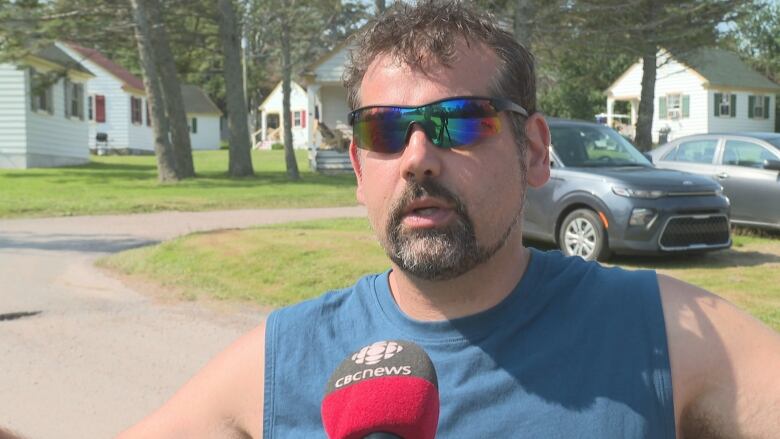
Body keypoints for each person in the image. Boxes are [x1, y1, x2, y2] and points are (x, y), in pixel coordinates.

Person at [118, 1, 780, 438]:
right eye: (385, 130)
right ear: (357, 164)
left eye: (458, 121)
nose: (416, 159)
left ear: (534, 150)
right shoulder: (283, 355)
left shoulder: (658, 331)